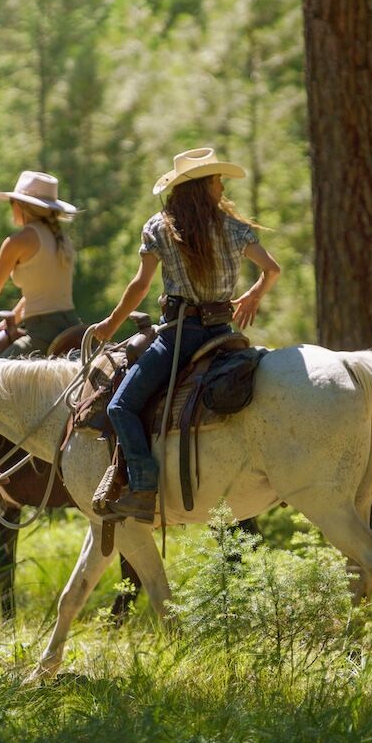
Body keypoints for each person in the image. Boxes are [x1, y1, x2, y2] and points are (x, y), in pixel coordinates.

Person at [90, 147, 282, 521]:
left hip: (180, 335)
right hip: (224, 333)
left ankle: (144, 487)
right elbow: (272, 269)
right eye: (216, 179)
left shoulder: (159, 227)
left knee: (120, 406)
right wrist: (252, 295)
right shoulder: (233, 225)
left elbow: (139, 286)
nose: (222, 185)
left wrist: (110, 325)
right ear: (202, 186)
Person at [0, 171, 82, 357]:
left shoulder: (18, 241)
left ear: (20, 205)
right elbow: (38, 294)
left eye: (12, 203)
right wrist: (6, 325)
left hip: (43, 334)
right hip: (72, 325)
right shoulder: (62, 238)